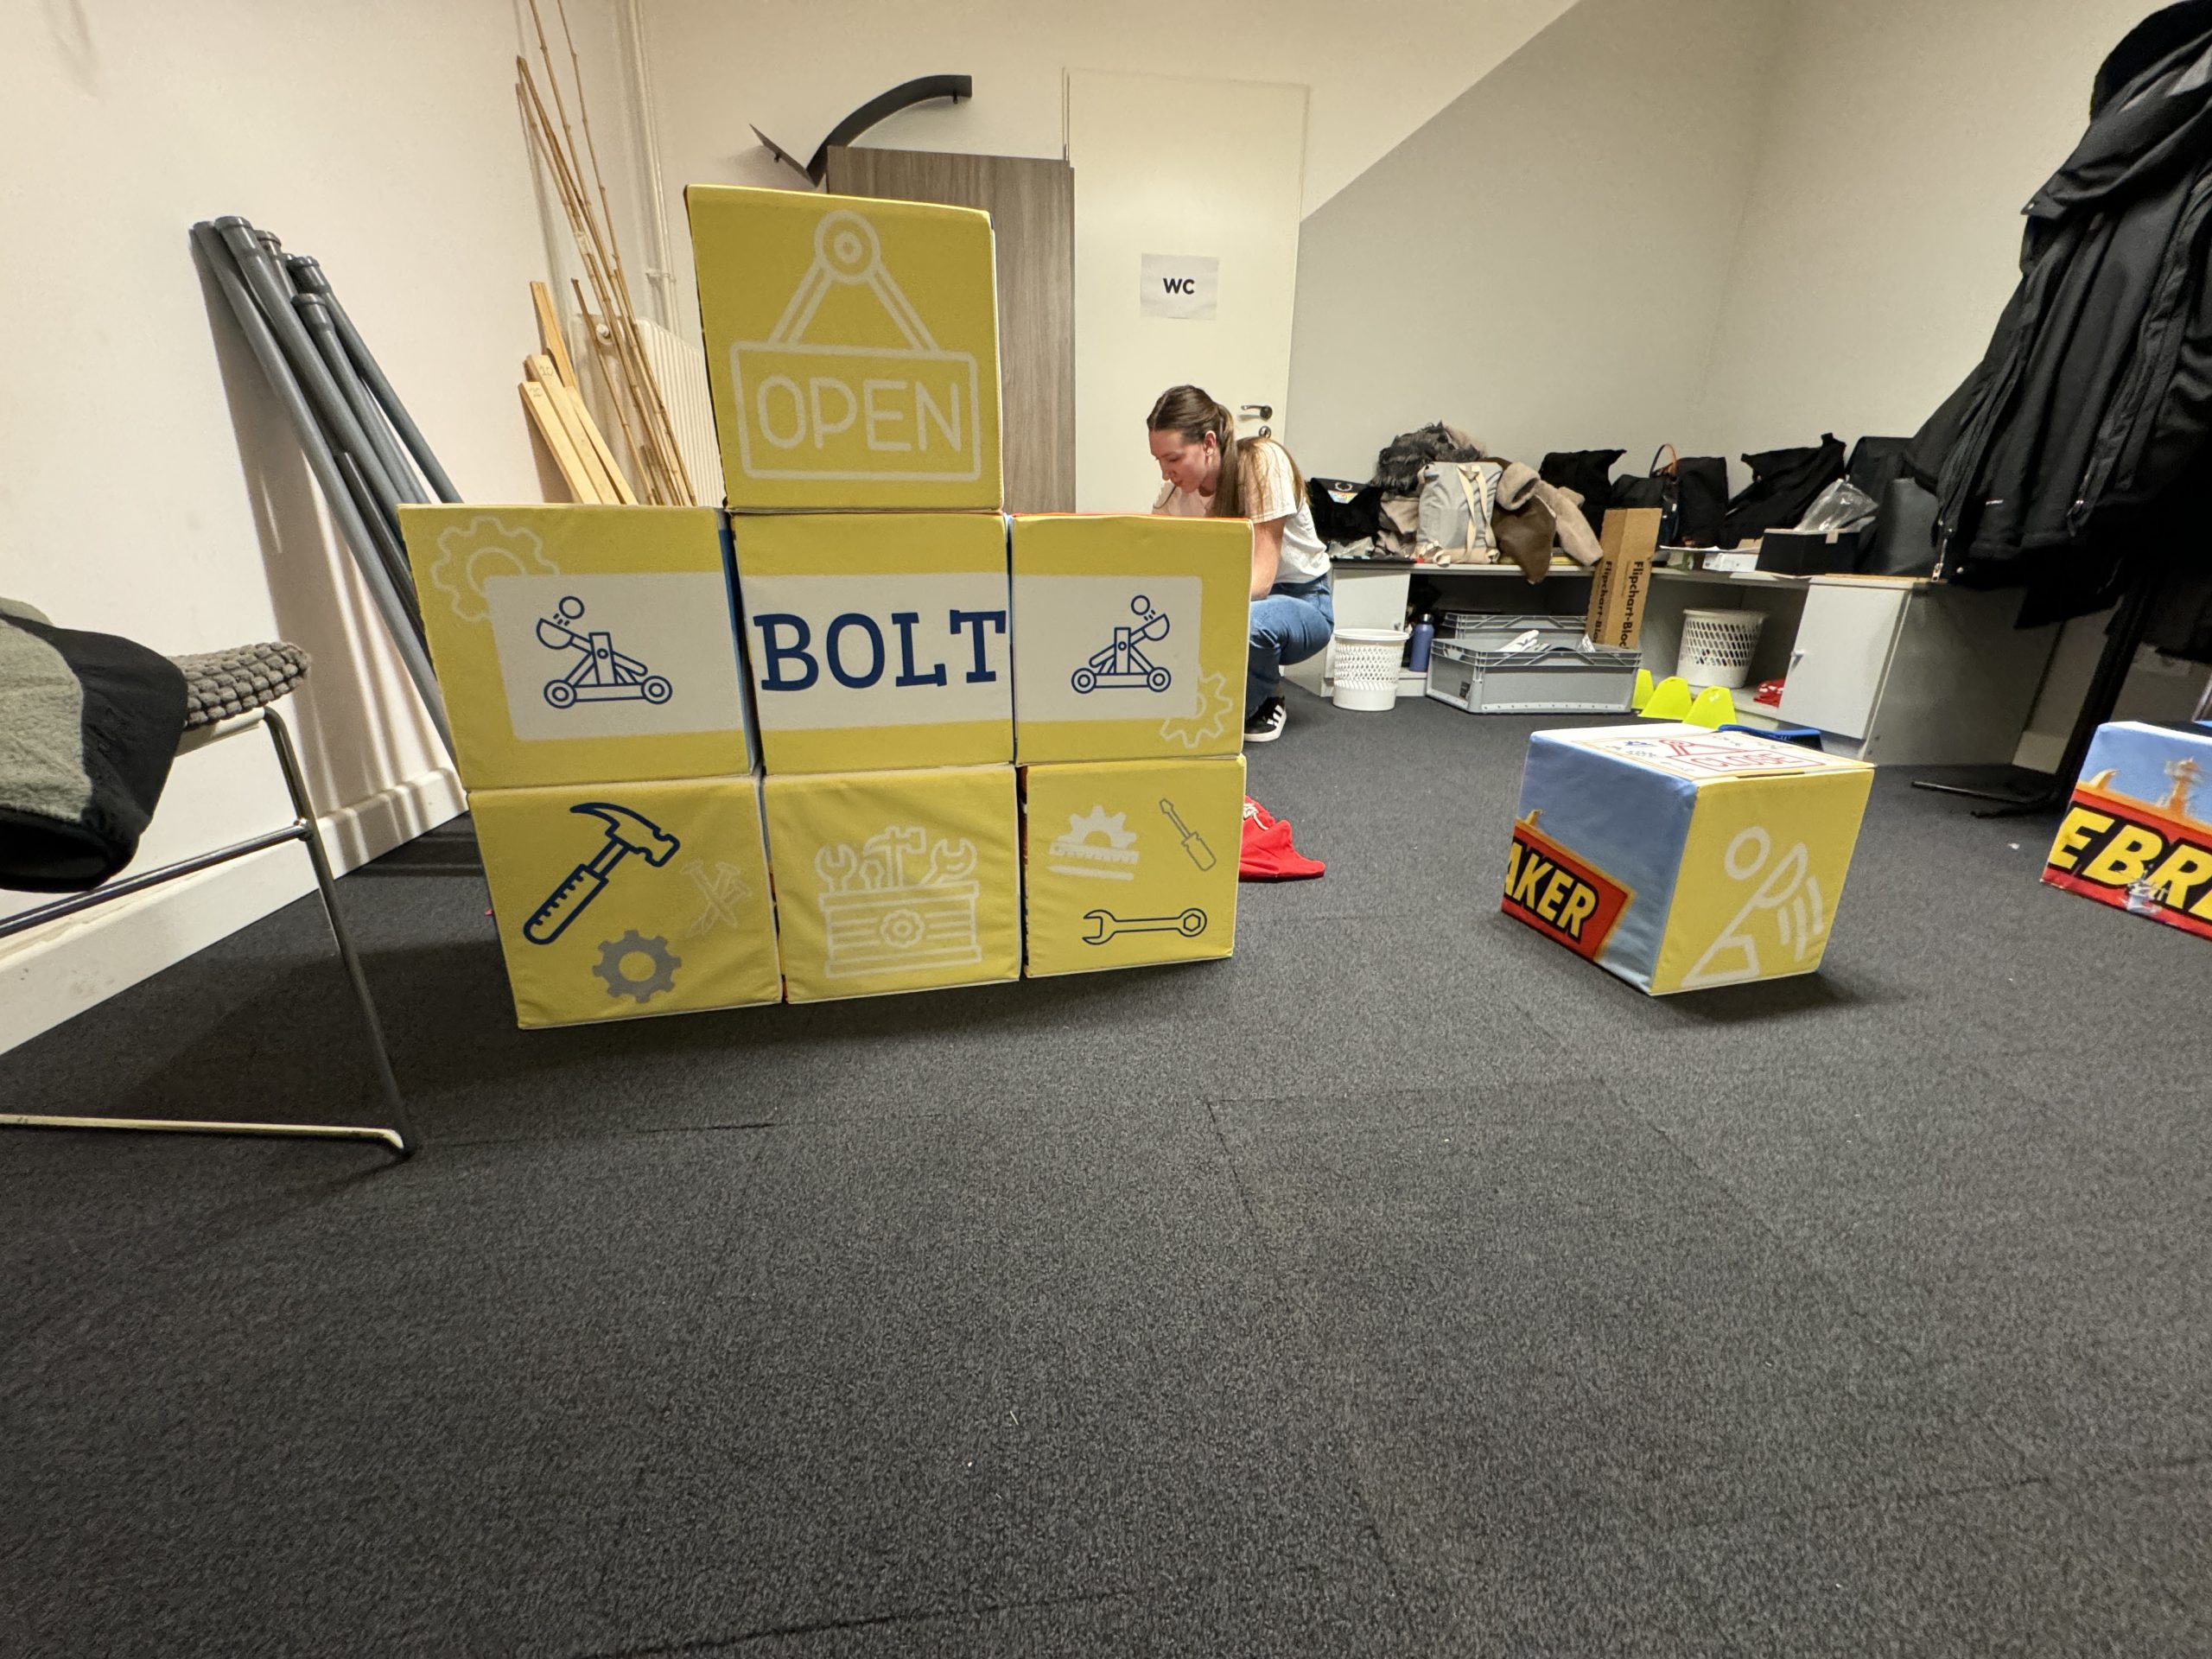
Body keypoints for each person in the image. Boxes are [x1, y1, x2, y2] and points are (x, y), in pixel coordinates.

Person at [1147, 385, 1332, 743]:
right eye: (1159, 461)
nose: (1166, 473)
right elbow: (1158, 573)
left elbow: (1261, 582)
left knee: (1246, 624)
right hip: (1233, 602)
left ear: (1208, 443)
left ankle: (1267, 696)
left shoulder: (1262, 462)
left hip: (1303, 602)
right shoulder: (1172, 498)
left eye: (1173, 459)